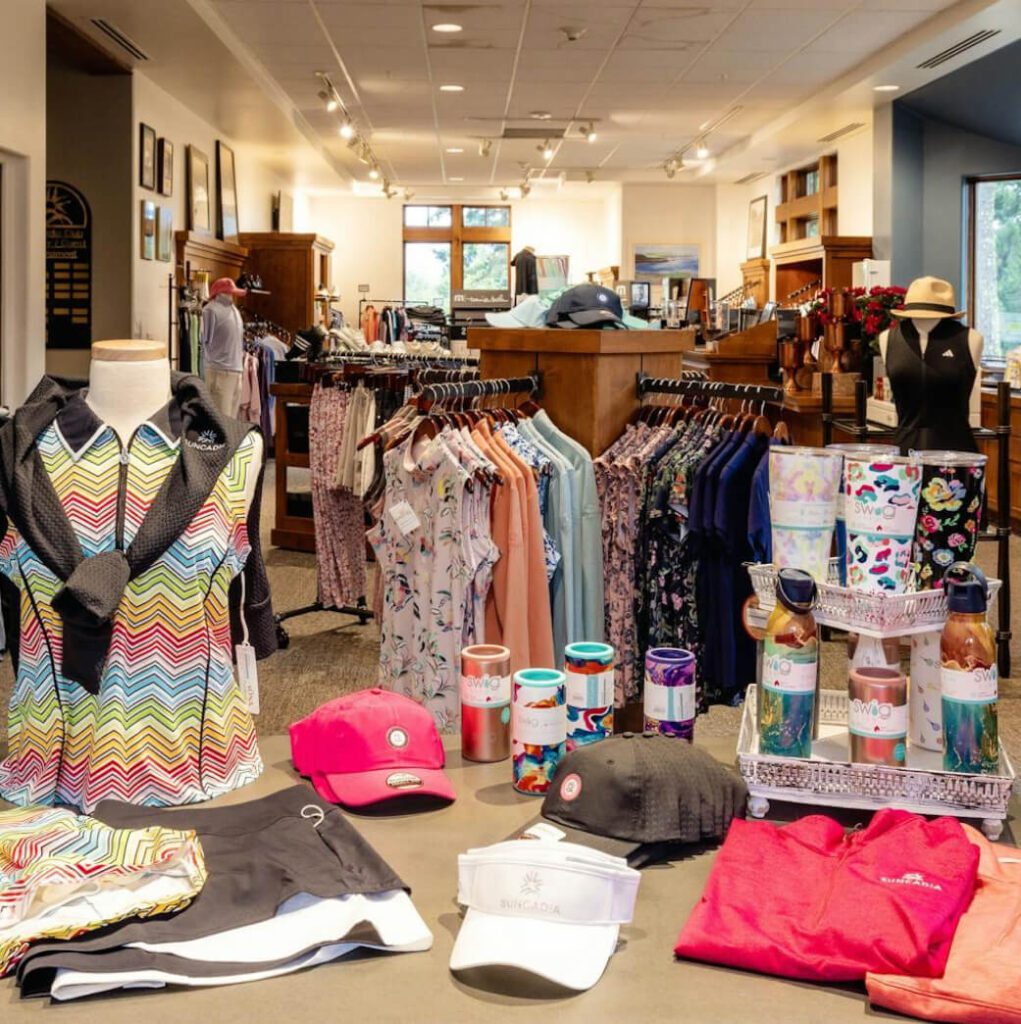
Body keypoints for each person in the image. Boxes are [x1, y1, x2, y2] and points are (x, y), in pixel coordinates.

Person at [201, 277, 247, 418]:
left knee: (231, 420)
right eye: (228, 293)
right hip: (219, 372)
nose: (231, 296)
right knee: (220, 420)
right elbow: (204, 341)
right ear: (219, 293)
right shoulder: (210, 310)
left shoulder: (235, 311)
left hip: (236, 371)